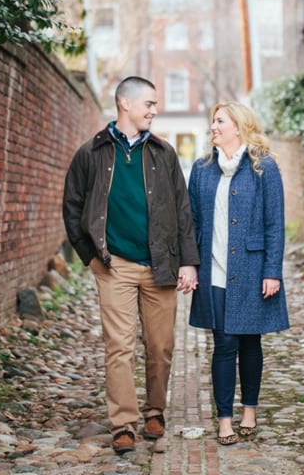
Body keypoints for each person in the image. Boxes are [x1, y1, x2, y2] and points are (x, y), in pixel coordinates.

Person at [62, 76, 199, 454]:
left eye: (155, 104)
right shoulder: (90, 153)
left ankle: (155, 410)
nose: (154, 110)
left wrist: (189, 262)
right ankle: (124, 423)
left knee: (161, 345)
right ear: (125, 103)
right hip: (114, 266)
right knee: (118, 346)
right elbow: (72, 208)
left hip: (160, 265)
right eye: (149, 104)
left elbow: (182, 211)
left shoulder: (164, 153)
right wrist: (90, 256)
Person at [188, 101, 290, 445]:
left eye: (220, 121)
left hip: (251, 269)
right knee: (224, 344)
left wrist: (272, 271)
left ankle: (249, 410)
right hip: (214, 270)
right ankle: (225, 418)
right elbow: (193, 222)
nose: (213, 126)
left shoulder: (265, 168)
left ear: (238, 126)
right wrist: (190, 263)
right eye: (213, 121)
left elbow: (275, 224)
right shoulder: (202, 169)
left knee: (250, 342)